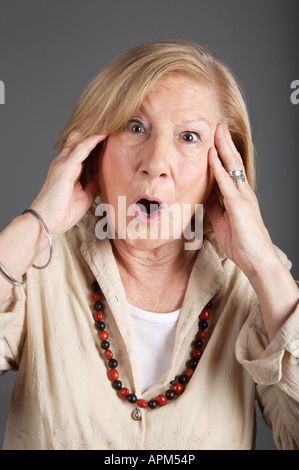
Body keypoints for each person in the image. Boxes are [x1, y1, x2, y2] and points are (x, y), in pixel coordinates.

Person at [0, 40, 298, 451]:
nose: (155, 163)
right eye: (134, 127)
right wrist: (35, 224)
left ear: (224, 171)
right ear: (95, 147)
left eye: (189, 136)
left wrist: (264, 265)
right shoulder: (37, 265)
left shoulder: (255, 286)